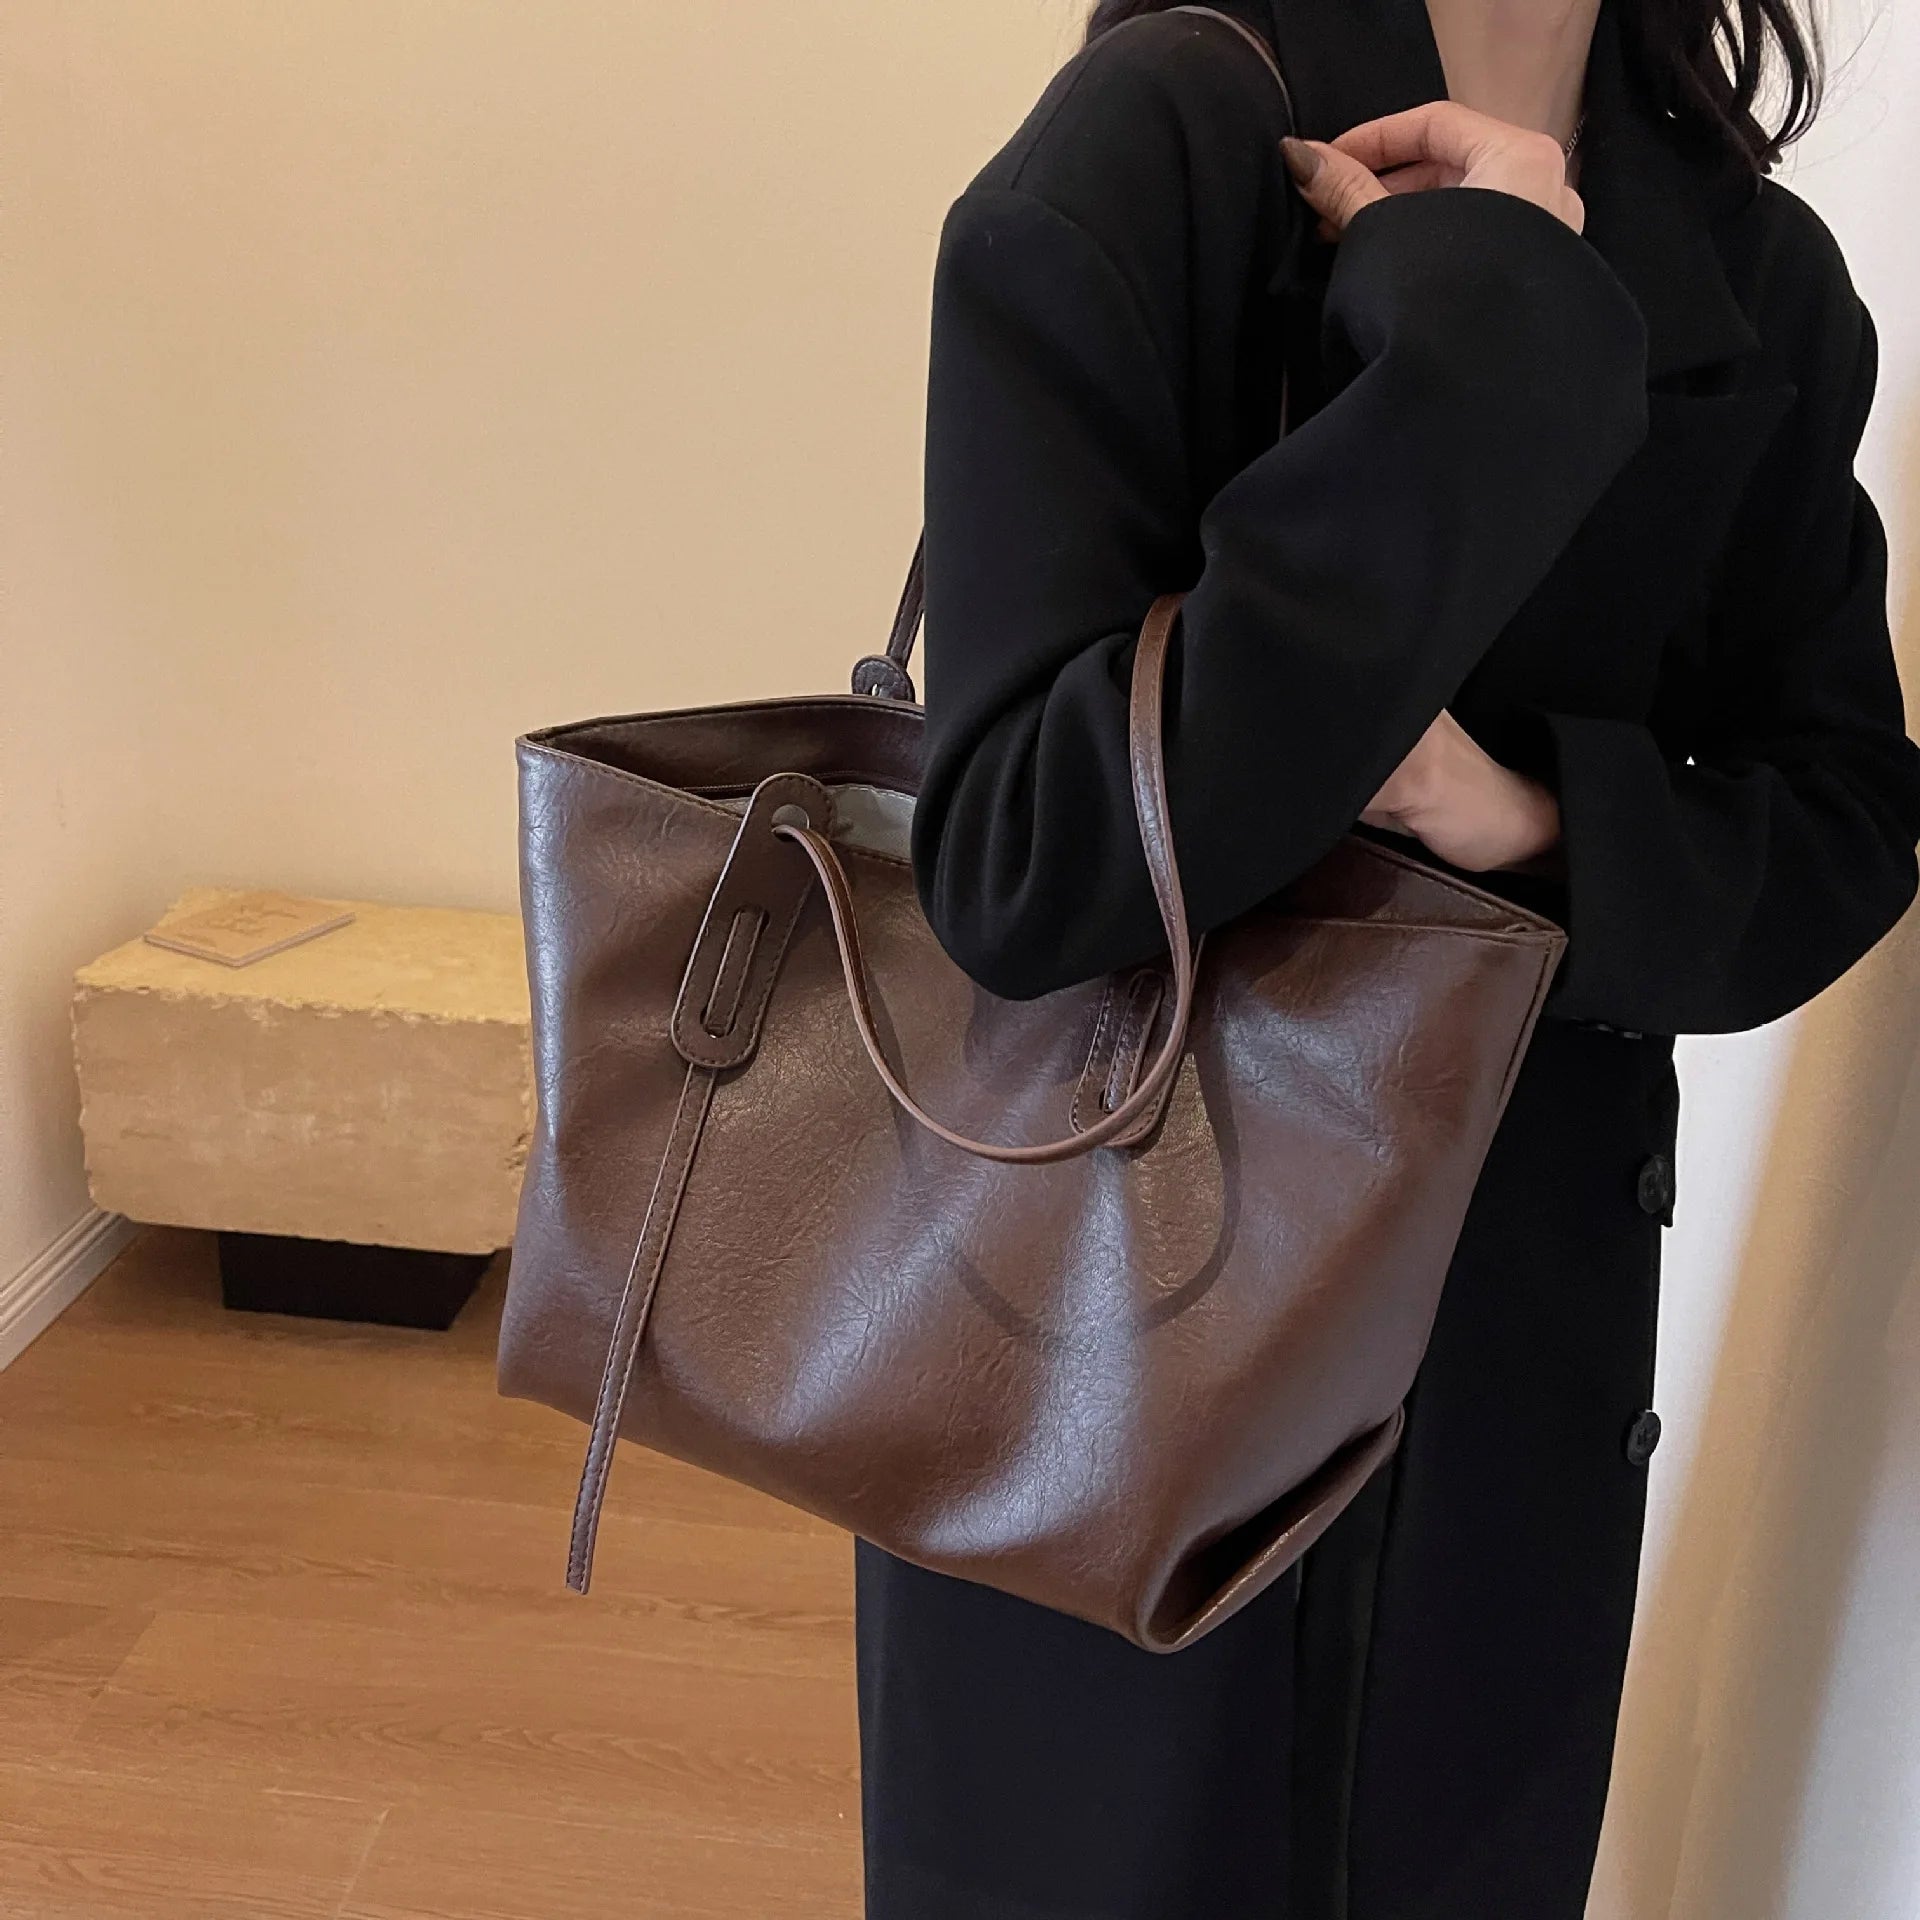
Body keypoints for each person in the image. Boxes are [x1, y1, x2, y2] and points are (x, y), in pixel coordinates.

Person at [852, 0, 1920, 1914]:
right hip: (1107, 1335)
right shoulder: (1174, 132)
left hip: (1508, 1379)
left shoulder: (1755, 271)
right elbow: (1025, 861)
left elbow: (1842, 820)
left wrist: (1532, 820)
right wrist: (1486, 332)